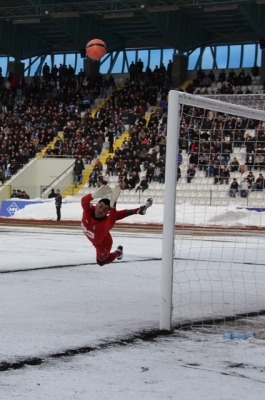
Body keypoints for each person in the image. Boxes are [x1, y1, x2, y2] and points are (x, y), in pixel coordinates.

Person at [81, 185, 153, 266]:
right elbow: (84, 201)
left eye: (105, 210)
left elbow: (111, 221)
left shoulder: (104, 224)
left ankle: (118, 253)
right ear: (96, 205)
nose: (100, 210)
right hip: (95, 236)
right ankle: (138, 210)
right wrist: (93, 195)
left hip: (102, 242)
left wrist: (113, 206)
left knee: (101, 262)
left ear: (107, 212)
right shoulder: (89, 210)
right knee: (113, 216)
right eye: (100, 206)